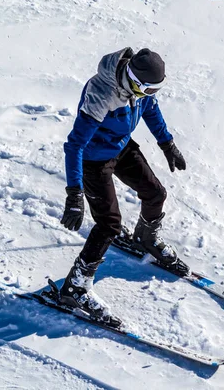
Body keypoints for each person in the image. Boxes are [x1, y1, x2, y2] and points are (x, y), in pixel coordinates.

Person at [59, 47, 189, 326]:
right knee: (109, 225)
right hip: (93, 159)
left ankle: (146, 237)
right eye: (150, 90)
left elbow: (150, 109)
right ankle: (75, 287)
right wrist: (74, 193)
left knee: (156, 194)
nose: (152, 95)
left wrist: (167, 143)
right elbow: (75, 145)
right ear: (136, 82)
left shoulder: (140, 93)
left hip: (119, 147)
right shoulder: (102, 93)